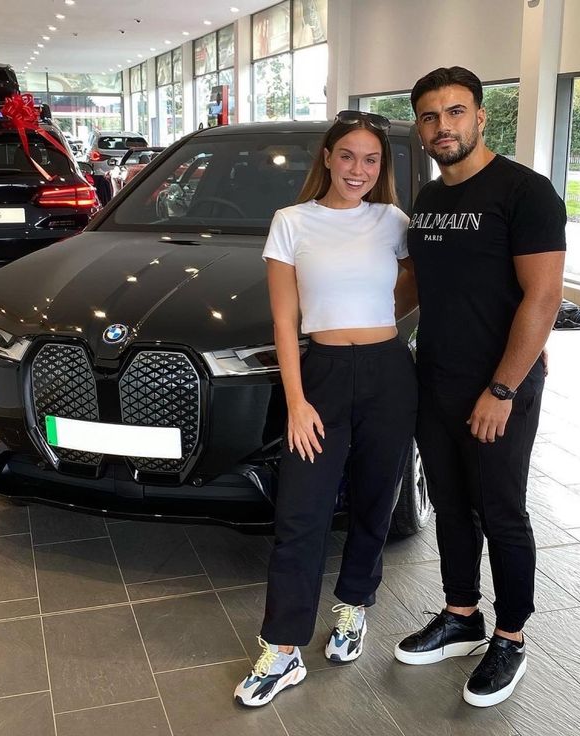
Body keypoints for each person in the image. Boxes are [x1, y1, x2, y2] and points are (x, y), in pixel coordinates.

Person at [393, 67, 566, 708]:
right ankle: (461, 613)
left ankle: (511, 636)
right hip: (434, 376)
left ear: (481, 117)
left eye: (456, 112)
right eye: (432, 116)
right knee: (449, 503)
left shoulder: (525, 193)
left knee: (502, 510)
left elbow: (543, 299)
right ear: (420, 125)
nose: (444, 126)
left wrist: (503, 389)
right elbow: (414, 288)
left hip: (498, 385)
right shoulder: (428, 202)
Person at [234, 111, 419, 707]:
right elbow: (285, 320)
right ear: (328, 158)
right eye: (347, 156)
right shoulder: (291, 223)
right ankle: (283, 648)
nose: (357, 170)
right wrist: (296, 400)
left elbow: (417, 287)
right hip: (322, 375)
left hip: (390, 372)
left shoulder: (394, 221)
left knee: (375, 499)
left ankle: (353, 606)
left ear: (381, 167)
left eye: (370, 159)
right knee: (301, 513)